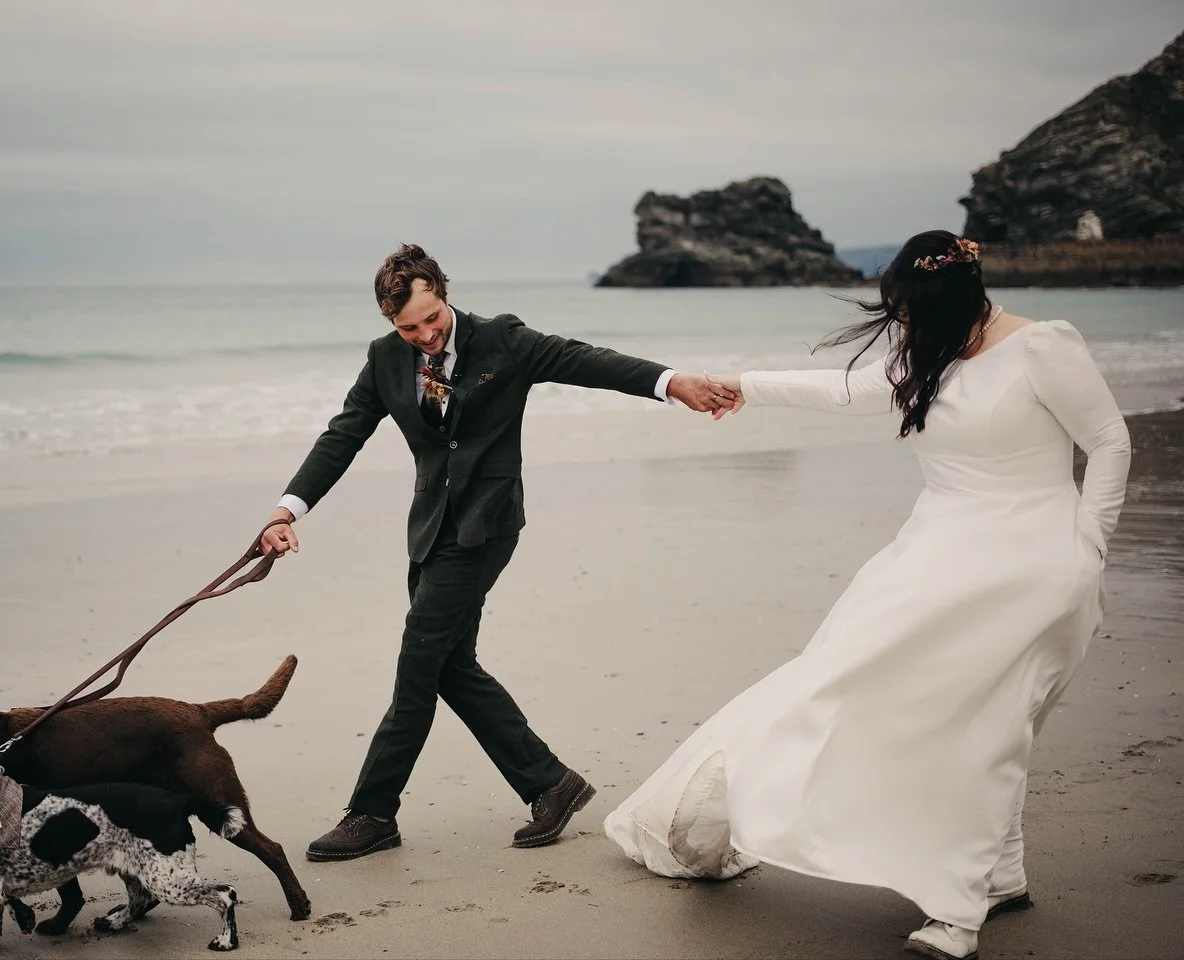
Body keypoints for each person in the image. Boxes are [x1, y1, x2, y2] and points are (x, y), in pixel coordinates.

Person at [604, 231, 1131, 960]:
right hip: (929, 565)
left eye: (915, 312)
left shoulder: (1044, 348)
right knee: (843, 690)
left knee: (983, 728)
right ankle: (998, 877)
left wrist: (1091, 545)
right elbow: (841, 390)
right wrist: (743, 385)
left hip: (1034, 569)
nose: (906, 326)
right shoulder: (928, 354)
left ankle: (957, 912)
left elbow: (1108, 441)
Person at [260, 243, 738, 863]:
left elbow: (589, 361)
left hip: (487, 528)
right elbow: (343, 434)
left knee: (417, 665)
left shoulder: (502, 341)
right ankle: (549, 784)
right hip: (431, 528)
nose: (426, 336)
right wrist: (287, 509)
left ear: (443, 292)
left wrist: (674, 383)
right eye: (409, 327)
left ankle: (373, 811)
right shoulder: (385, 359)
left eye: (432, 319)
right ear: (389, 323)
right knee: (451, 667)